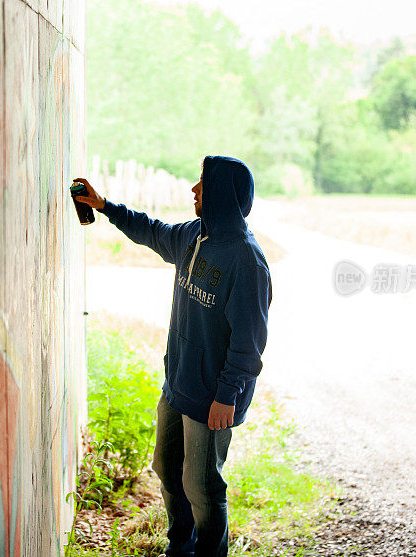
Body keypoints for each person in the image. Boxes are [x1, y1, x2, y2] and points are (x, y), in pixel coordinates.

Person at [74, 155, 271, 556]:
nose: (195, 190)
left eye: (203, 183)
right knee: (167, 469)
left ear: (225, 196)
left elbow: (249, 343)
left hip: (213, 396)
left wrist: (226, 396)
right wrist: (104, 206)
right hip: (178, 382)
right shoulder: (194, 236)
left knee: (202, 486)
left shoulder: (247, 262)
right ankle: (179, 547)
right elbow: (151, 230)